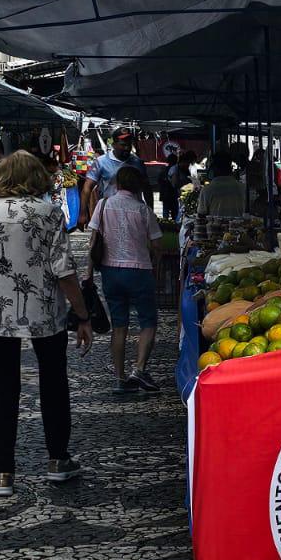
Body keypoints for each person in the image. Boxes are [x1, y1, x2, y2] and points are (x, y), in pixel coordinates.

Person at [0, 149, 92, 496]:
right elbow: (64, 270)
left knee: (2, 389)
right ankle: (58, 460)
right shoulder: (50, 213)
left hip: (0, 315)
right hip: (46, 312)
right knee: (54, 383)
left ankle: (3, 472)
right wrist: (82, 314)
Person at [88, 164, 162, 394]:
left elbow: (93, 242)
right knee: (148, 321)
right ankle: (139, 369)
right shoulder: (143, 210)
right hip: (140, 271)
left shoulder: (103, 205)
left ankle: (120, 378)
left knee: (119, 326)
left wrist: (88, 274)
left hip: (111, 272)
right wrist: (154, 262)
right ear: (138, 186)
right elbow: (157, 244)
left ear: (117, 183)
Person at [81, 129, 153, 220]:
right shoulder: (101, 162)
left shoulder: (138, 163)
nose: (127, 148)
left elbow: (147, 188)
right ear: (114, 145)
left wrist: (150, 211)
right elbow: (87, 187)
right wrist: (82, 213)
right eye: (123, 145)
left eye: (129, 145)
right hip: (109, 214)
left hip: (134, 214)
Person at [195, 150, 248, 220]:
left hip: (215, 226)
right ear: (230, 168)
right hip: (238, 226)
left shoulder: (207, 190)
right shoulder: (242, 187)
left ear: (214, 168)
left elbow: (201, 215)